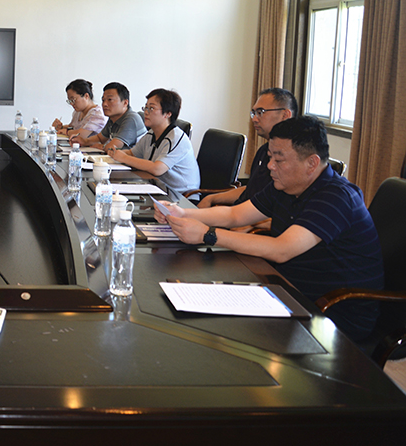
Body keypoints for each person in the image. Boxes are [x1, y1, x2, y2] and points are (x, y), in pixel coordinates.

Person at [157, 117, 383, 341]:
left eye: (279, 159)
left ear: (312, 163)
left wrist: (207, 234)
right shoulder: (286, 185)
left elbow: (281, 249)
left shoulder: (336, 197)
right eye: (270, 157)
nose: (270, 166)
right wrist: (183, 213)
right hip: (288, 290)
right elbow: (235, 215)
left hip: (332, 314)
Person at [198, 88, 297, 208]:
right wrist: (211, 198)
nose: (254, 119)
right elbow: (251, 189)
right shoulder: (263, 151)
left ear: (285, 115)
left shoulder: (293, 159)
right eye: (254, 113)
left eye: (261, 112)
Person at [108, 88, 199, 196]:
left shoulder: (176, 138)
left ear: (168, 114)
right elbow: (132, 153)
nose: (146, 112)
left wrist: (123, 157)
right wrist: (115, 153)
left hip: (181, 196)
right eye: (146, 107)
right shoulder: (151, 134)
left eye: (151, 108)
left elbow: (157, 168)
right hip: (157, 188)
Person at [75, 82, 146, 150]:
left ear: (125, 103)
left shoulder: (131, 119)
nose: (104, 104)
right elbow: (100, 138)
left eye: (110, 100)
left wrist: (103, 147)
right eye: (103, 100)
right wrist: (84, 141)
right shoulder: (113, 118)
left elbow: (113, 147)